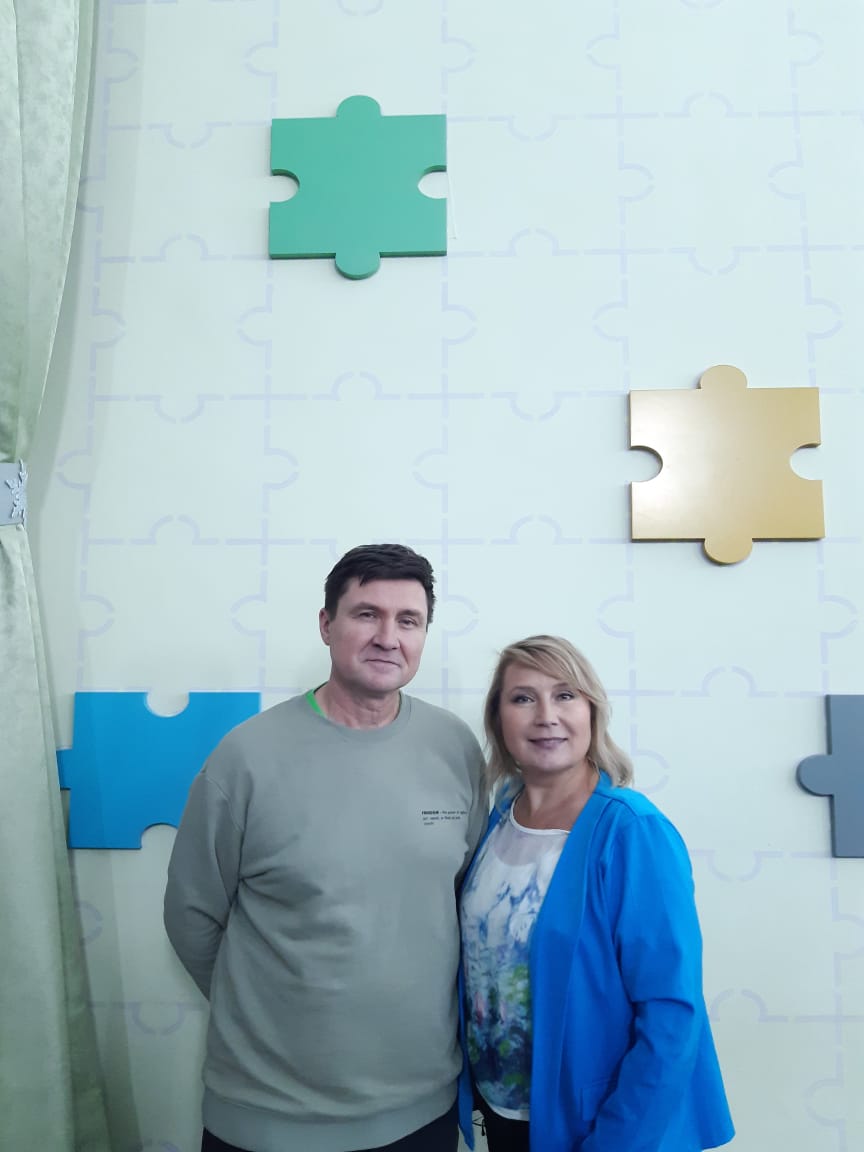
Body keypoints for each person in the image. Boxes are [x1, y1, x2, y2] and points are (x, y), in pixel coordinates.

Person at [164, 544, 488, 1152]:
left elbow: (463, 898)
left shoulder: (455, 748)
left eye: (409, 620)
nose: (388, 637)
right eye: (367, 614)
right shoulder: (246, 758)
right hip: (265, 1116)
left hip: (423, 1109)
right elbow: (191, 915)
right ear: (326, 625)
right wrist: (272, 1015)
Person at [458, 636, 734, 1152]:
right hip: (502, 1111)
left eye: (565, 695)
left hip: (596, 1123)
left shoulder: (631, 830)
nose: (546, 716)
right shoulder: (498, 816)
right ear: (498, 719)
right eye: (523, 698)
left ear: (592, 712)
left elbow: (672, 1013)